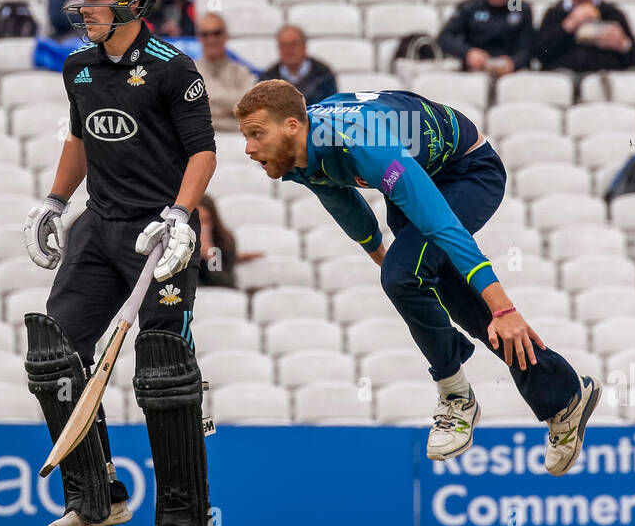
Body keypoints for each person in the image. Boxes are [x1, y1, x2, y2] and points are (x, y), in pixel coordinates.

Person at [234, 80, 601, 472]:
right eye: (246, 136)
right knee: (429, 287)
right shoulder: (301, 153)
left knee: (405, 275)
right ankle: (564, 395)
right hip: (416, 173)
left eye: (257, 134)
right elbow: (341, 201)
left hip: (468, 173)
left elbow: (442, 225)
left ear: (292, 125)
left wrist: (505, 308)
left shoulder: (364, 144)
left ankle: (456, 396)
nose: (248, 148)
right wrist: (384, 259)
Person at [22, 0, 218, 526]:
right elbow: (81, 137)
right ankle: (96, 496)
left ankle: (184, 516)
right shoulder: (78, 66)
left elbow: (203, 152)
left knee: (162, 366)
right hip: (98, 227)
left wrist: (182, 217)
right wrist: (54, 201)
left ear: (133, 0)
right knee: (54, 354)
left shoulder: (174, 68)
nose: (86, 9)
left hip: (157, 235)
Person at [535, 0, 635, 81]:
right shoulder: (555, 13)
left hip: (601, 76)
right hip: (563, 76)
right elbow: (540, 54)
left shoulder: (612, 14)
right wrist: (567, 26)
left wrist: (623, 44)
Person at [438, 0, 534, 78]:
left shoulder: (522, 9)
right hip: (475, 70)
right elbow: (445, 37)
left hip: (511, 71)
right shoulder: (470, 7)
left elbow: (530, 45)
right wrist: (468, 53)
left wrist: (515, 62)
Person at [191, 13, 257, 133]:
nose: (211, 40)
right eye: (205, 34)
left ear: (226, 35)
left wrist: (208, 103)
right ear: (199, 38)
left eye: (217, 33)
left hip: (236, 140)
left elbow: (248, 108)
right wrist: (231, 108)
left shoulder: (241, 72)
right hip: (200, 139)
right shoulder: (189, 71)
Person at [196, 194, 263, 290]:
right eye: (197, 221)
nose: (202, 228)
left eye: (206, 221)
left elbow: (227, 285)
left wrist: (212, 258)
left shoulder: (225, 241)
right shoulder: (177, 241)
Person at [259, 25, 338, 106]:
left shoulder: (324, 75)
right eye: (284, 45)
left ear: (304, 47)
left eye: (294, 44)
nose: (288, 50)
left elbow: (331, 109)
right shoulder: (267, 79)